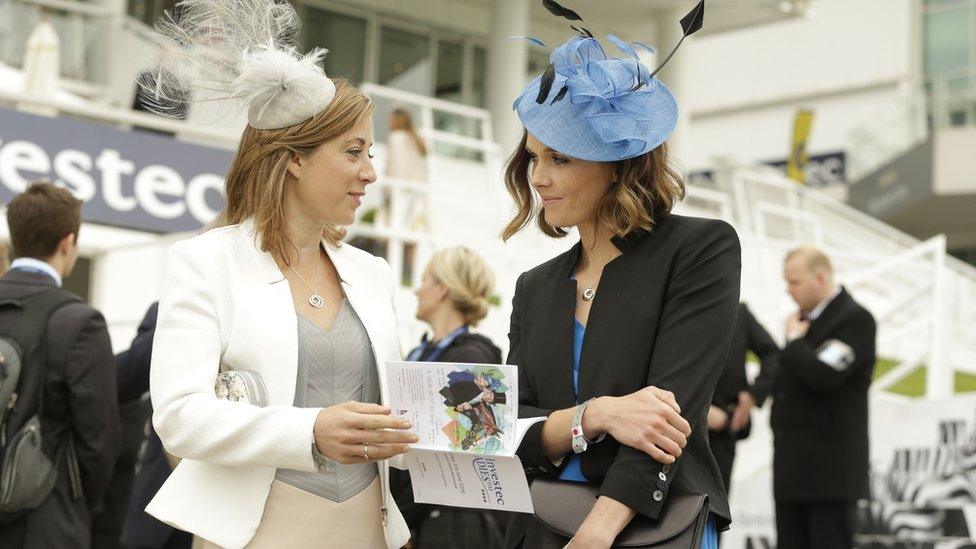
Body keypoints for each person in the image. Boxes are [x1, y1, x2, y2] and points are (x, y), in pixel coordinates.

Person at [141, 2, 415, 547]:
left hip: (367, 530)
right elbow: (178, 417)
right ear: (295, 158)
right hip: (253, 532)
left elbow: (396, 414)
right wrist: (310, 430)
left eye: (371, 152)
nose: (371, 172)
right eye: (354, 151)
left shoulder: (374, 274)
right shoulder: (206, 262)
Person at [501, 8, 738, 548]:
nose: (538, 178)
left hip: (651, 526)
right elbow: (512, 425)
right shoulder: (533, 286)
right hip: (539, 523)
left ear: (619, 163)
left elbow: (667, 421)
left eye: (559, 158)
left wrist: (595, 535)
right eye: (533, 158)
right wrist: (598, 415)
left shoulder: (700, 250)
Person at [0, 182, 120, 548]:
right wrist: (79, 504)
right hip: (42, 520)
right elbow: (99, 438)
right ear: (68, 243)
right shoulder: (79, 322)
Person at [392, 246, 506, 548]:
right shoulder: (422, 352)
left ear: (442, 288)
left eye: (425, 279)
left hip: (451, 522)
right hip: (414, 514)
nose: (417, 290)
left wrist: (402, 516)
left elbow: (464, 452)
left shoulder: (471, 358)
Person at [772, 246, 876, 549]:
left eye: (794, 282)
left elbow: (823, 376)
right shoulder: (803, 323)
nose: (788, 291)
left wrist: (793, 342)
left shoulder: (856, 320)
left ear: (820, 278)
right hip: (791, 474)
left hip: (830, 477)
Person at [707, 302, 779, 494]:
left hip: (721, 434)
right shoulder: (675, 307)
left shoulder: (738, 312)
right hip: (674, 431)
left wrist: (752, 395)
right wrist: (698, 412)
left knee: (714, 511)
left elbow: (773, 356)